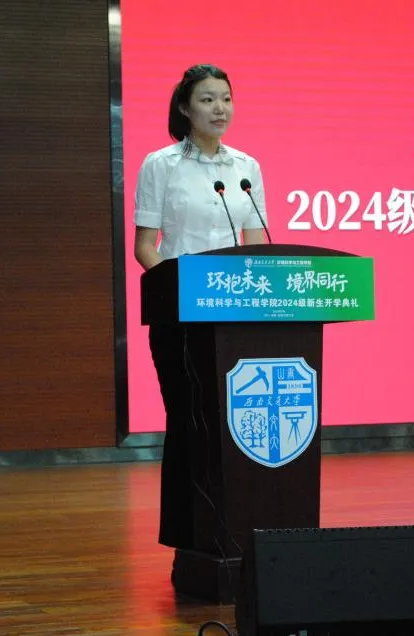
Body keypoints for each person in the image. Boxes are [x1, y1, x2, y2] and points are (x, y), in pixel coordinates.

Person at [132, 64, 269, 550]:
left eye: (226, 98)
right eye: (208, 99)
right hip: (181, 320)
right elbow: (145, 247)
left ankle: (243, 532)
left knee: (238, 427)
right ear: (185, 108)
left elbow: (256, 246)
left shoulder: (246, 168)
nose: (219, 108)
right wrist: (180, 293)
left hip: (236, 320)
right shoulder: (161, 164)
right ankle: (190, 540)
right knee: (189, 423)